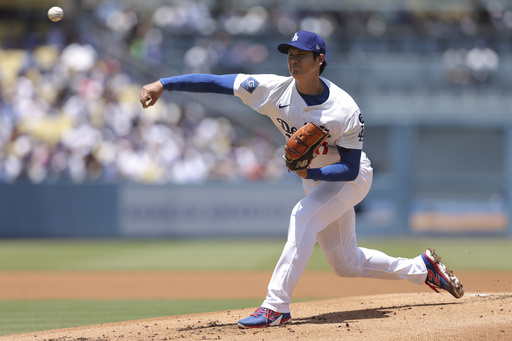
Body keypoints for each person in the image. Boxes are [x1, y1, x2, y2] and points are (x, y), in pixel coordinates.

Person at [139, 30, 464, 329]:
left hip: (349, 179)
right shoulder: (271, 90)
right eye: (290, 54)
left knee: (302, 215)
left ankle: (275, 306)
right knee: (346, 264)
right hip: (317, 182)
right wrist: (164, 84)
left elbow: (350, 167)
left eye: (302, 55)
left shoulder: (344, 109)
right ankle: (422, 269)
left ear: (319, 60)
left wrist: (311, 172)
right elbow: (215, 82)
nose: (294, 60)